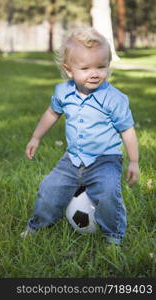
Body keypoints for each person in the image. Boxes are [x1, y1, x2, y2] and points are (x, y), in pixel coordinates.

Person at [21, 27, 139, 245]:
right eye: (85, 68)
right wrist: (36, 137)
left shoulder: (114, 99)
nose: (94, 73)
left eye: (101, 66)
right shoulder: (63, 92)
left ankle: (114, 234)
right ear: (69, 70)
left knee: (107, 193)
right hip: (73, 158)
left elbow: (127, 129)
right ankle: (37, 225)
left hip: (105, 159)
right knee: (49, 189)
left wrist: (133, 161)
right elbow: (51, 113)